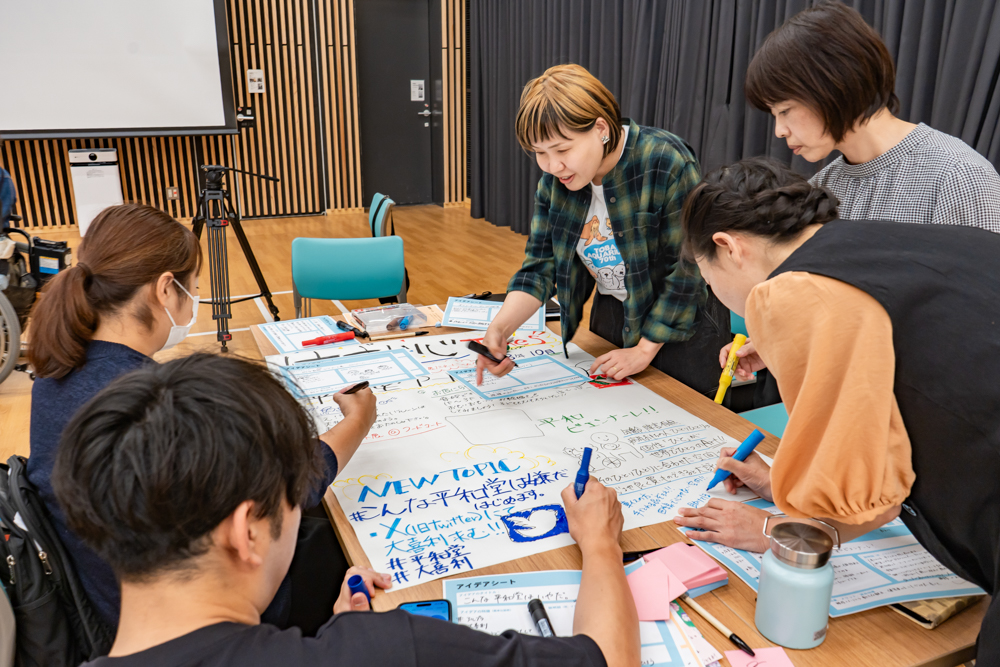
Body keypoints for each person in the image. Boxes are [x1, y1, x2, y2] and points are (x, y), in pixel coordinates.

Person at [52, 353, 639, 667]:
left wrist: (335, 633)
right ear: (247, 531)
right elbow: (608, 660)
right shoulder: (382, 650)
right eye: (293, 498)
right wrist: (600, 543)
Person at [672, 157, 1000, 661]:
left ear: (728, 247)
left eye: (707, 279)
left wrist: (775, 529)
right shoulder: (875, 241)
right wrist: (785, 477)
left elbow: (867, 494)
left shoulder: (792, 291)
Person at [26, 204, 376, 634]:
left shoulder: (56, 373)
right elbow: (288, 489)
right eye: (195, 288)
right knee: (346, 548)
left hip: (112, 606)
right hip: (206, 621)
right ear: (165, 289)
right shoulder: (157, 407)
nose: (196, 302)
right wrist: (357, 421)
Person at [721, 1, 1000, 399]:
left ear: (833, 86)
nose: (780, 130)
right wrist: (779, 343)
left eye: (785, 110)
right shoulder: (823, 188)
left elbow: (982, 327)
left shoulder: (957, 176)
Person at [476, 64, 730, 396]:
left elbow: (689, 267)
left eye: (563, 150)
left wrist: (643, 350)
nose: (553, 166)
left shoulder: (664, 160)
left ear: (600, 128)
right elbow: (540, 267)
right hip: (613, 318)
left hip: (679, 331)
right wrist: (500, 329)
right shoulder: (555, 184)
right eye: (540, 153)